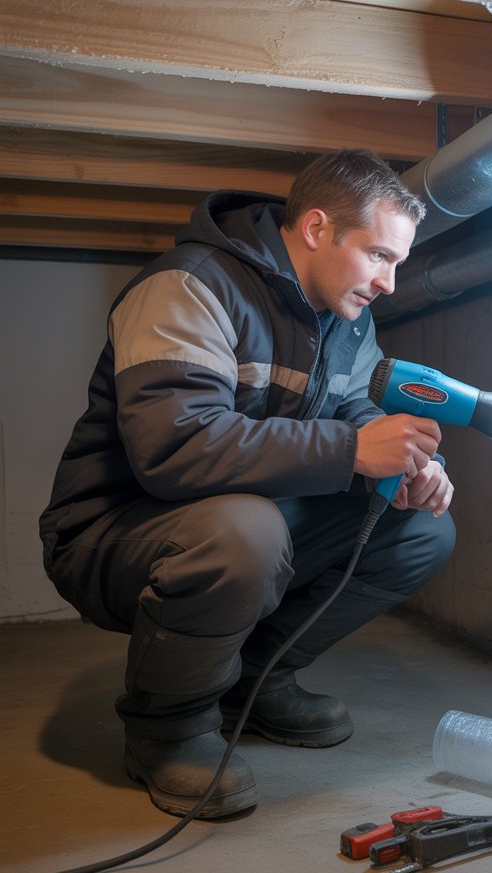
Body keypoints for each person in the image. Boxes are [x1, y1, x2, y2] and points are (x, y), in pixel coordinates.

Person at [38, 150, 456, 819]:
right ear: (318, 228)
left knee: (418, 529)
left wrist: (402, 467)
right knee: (244, 533)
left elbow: (354, 413)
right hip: (110, 534)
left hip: (236, 523)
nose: (390, 283)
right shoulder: (188, 286)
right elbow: (175, 448)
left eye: (397, 264)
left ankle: (254, 685)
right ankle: (167, 731)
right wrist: (353, 449)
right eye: (380, 256)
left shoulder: (347, 322)